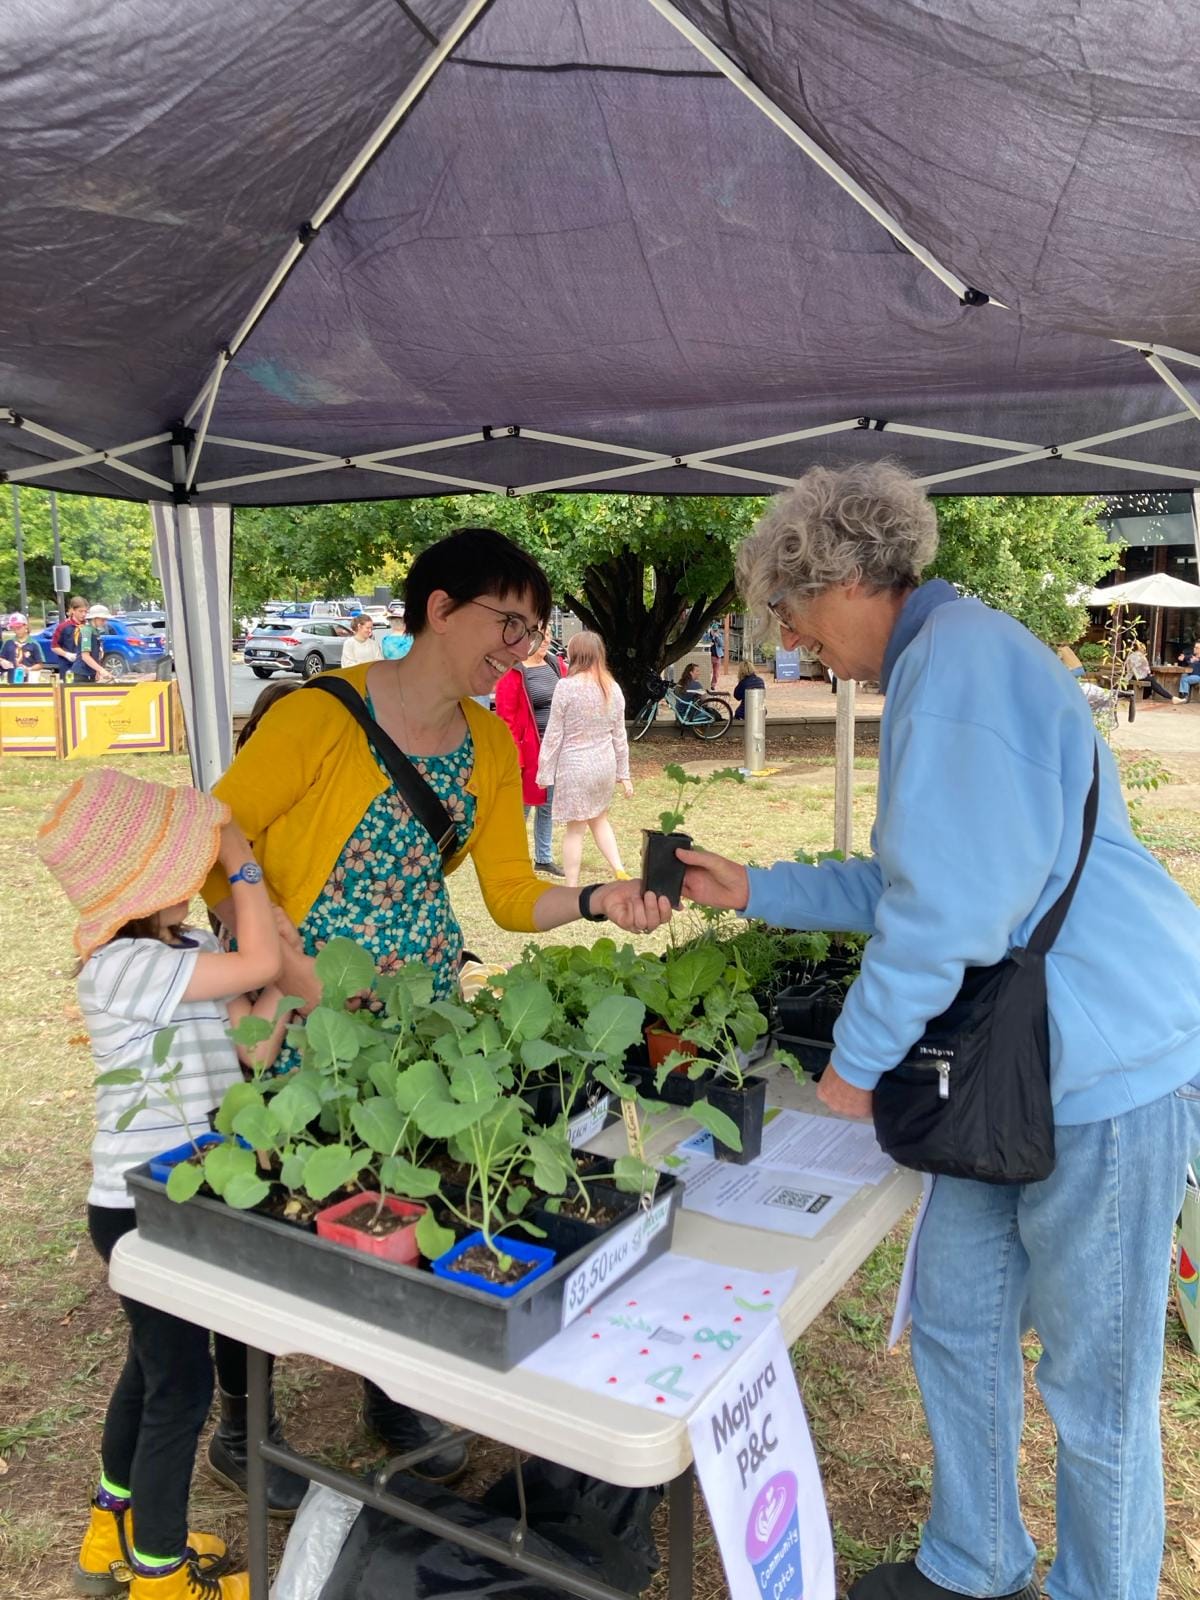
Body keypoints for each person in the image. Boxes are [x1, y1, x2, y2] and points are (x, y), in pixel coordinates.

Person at [677, 462, 1200, 1600]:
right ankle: (976, 1558)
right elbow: (913, 880)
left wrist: (854, 1071)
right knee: (960, 1319)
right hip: (1008, 1063)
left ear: (849, 577)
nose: (793, 636)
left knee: (1097, 1388)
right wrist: (755, 886)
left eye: (793, 607)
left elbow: (944, 916)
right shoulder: (936, 662)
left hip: (1106, 1062)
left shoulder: (956, 669)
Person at [203, 529, 667, 1472]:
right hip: (296, 997)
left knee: (401, 1179)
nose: (520, 646)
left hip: (411, 1001)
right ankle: (242, 1424)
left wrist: (594, 898)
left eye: (534, 632)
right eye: (508, 621)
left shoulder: (491, 743)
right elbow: (219, 828)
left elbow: (503, 891)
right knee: (270, 1195)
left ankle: (394, 1396)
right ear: (440, 609)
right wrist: (271, 945)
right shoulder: (319, 715)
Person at [38, 769, 287, 1600]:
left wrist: (278, 976)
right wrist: (243, 865)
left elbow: (252, 1049)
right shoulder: (121, 968)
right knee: (180, 1385)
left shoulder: (185, 953)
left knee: (151, 1372)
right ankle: (160, 1575)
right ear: (151, 882)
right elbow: (251, 955)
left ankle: (115, 1528)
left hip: (188, 1194)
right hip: (142, 1207)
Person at [536, 631, 633, 887]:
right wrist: (624, 774)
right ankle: (619, 869)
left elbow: (554, 734)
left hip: (575, 766)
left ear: (574, 655)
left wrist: (544, 773)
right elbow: (619, 735)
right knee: (600, 820)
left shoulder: (566, 687)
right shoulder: (613, 688)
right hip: (604, 766)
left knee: (575, 829)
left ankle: (571, 885)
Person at [494, 633, 567, 876]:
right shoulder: (514, 671)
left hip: (554, 748)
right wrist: (515, 756)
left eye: (549, 635)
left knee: (547, 805)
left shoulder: (555, 664)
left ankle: (543, 857)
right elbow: (507, 718)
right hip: (530, 749)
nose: (547, 640)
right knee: (523, 806)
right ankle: (508, 858)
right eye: (542, 636)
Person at [51, 595, 112, 681]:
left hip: (89, 669)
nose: (83, 614)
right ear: (73, 610)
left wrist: (97, 669)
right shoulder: (64, 626)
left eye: (85, 611)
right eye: (80, 611)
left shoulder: (90, 628)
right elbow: (54, 646)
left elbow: (95, 652)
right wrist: (67, 655)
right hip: (69, 667)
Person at [0, 612, 44, 681]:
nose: (16, 631)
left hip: (29, 681)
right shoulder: (8, 643)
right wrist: (2, 661)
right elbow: (1, 657)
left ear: (25, 626)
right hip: (12, 681)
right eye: (13, 628)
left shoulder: (34, 644)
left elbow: (40, 664)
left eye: (18, 627)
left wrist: (29, 669)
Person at [704, 621, 725, 689]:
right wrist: (710, 641)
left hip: (717, 656)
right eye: (714, 630)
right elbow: (704, 642)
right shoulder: (707, 635)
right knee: (707, 671)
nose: (715, 631)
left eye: (716, 630)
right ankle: (706, 683)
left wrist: (717, 637)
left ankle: (713, 685)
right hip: (709, 656)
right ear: (711, 629)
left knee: (716, 673)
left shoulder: (719, 635)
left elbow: (721, 644)